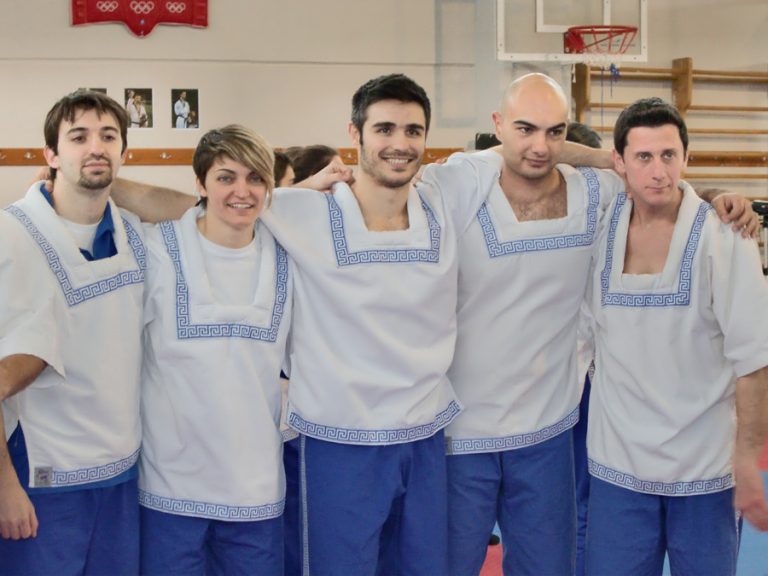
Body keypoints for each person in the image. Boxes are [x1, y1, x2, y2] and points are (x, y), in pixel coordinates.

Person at [441, 75, 758, 576]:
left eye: (554, 131)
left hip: (656, 456)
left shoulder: (691, 226)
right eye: (524, 129)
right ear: (498, 125)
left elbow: (755, 357)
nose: (540, 146)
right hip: (551, 451)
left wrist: (748, 460)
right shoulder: (475, 183)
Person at [585, 97, 768, 576]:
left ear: (686, 157)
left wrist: (747, 462)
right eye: (643, 157)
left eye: (669, 155)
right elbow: (537, 153)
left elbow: (754, 360)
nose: (658, 172)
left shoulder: (725, 236)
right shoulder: (599, 225)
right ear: (619, 162)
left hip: (704, 469)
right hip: (618, 467)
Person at [0, 90, 144, 575]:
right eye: (78, 137)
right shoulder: (10, 234)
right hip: (40, 476)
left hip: (121, 471)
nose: (96, 147)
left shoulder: (135, 233)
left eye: (108, 137)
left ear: (124, 151)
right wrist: (4, 487)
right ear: (51, 155)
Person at [139, 125, 290, 575]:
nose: (242, 191)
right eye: (226, 177)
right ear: (200, 184)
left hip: (255, 491)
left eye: (256, 178)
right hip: (170, 489)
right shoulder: (155, 250)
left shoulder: (289, 257)